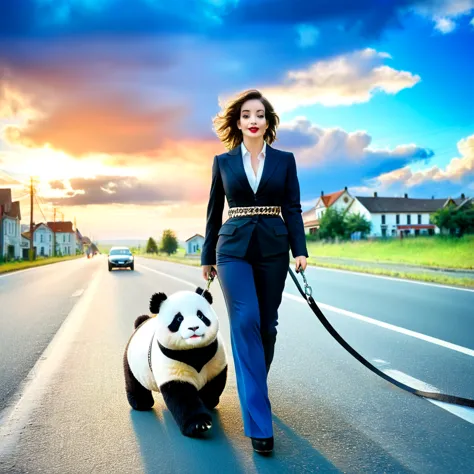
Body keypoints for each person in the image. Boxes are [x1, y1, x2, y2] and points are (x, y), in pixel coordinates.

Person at [201, 89, 308, 455]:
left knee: (266, 326)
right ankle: (259, 424)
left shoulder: (285, 160)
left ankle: (254, 389)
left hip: (274, 249)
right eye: (246, 114)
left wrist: (300, 250)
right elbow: (213, 211)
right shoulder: (223, 162)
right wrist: (206, 257)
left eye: (259, 114)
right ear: (237, 121)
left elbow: (293, 207)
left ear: (267, 121)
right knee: (245, 319)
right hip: (232, 249)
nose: (253, 120)